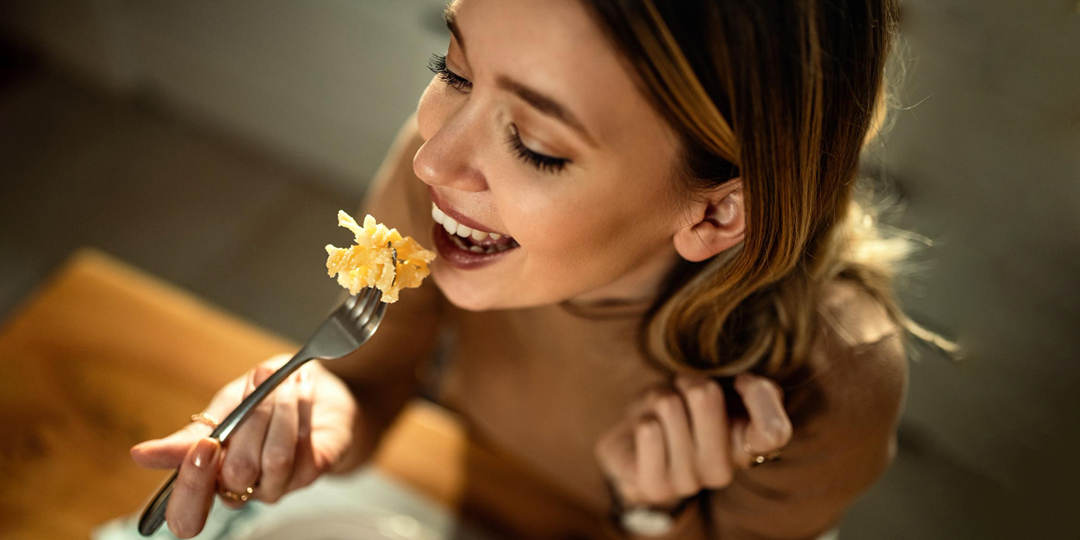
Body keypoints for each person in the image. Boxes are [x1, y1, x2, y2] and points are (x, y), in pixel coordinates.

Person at [132, 0, 949, 538]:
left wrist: (655, 515)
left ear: (714, 212)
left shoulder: (834, 377)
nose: (435, 161)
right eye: (452, 71)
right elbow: (373, 382)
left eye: (537, 146)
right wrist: (325, 406)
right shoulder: (451, 189)